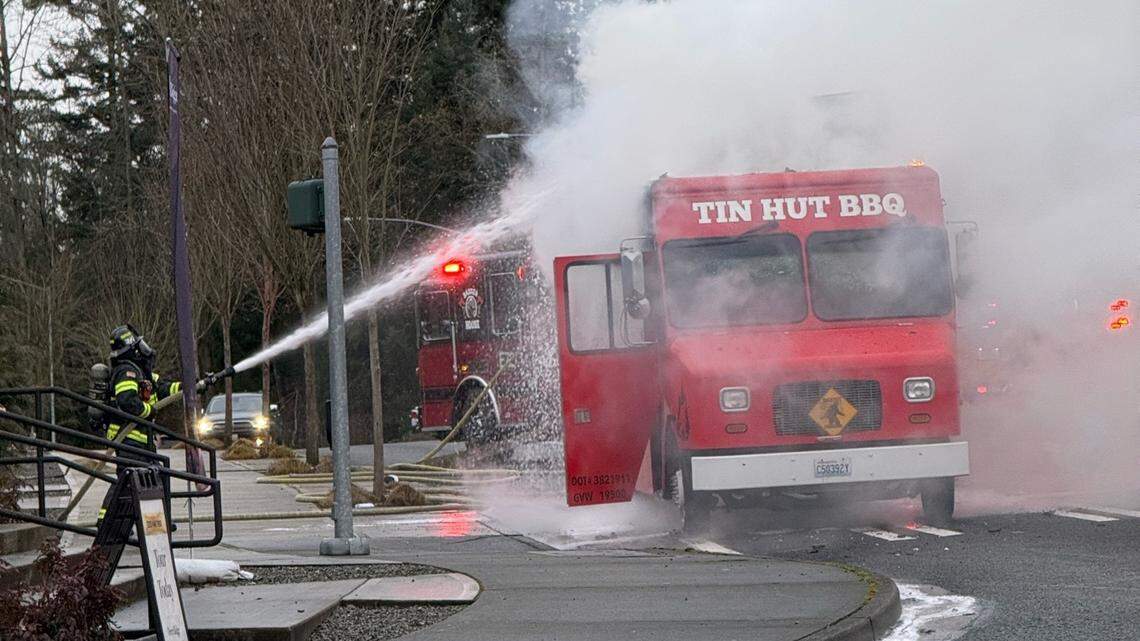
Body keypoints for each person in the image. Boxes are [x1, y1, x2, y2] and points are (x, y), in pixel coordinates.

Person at [97, 324, 181, 525]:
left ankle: (155, 522)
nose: (144, 348)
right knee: (131, 480)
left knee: (144, 478)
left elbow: (164, 388)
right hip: (129, 438)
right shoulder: (126, 371)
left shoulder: (142, 372)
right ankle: (108, 521)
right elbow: (127, 401)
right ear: (131, 349)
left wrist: (193, 385)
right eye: (138, 344)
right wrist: (149, 411)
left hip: (140, 439)